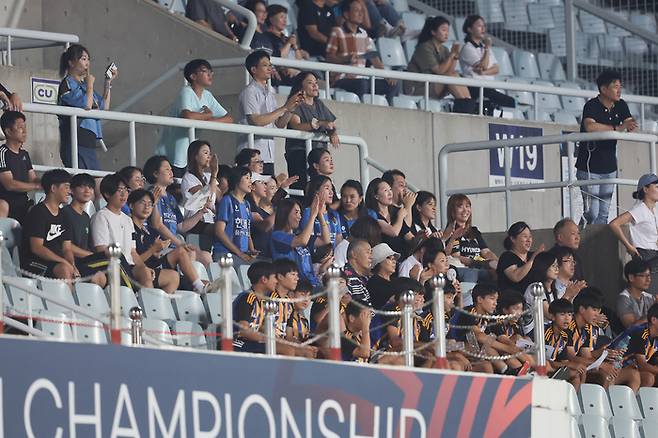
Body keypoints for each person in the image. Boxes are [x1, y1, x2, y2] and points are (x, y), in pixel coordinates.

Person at [577, 69, 637, 225]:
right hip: (589, 167)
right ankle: (578, 236)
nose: (619, 90)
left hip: (610, 168)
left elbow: (629, 123)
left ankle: (597, 248)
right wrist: (617, 128)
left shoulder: (621, 105)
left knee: (603, 214)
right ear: (603, 89)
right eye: (615, 86)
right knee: (592, 212)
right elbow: (590, 127)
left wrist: (629, 125)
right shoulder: (591, 105)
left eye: (620, 86)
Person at [156, 59, 232, 176]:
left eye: (211, 72)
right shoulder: (186, 91)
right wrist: (207, 115)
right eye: (204, 71)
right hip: (172, 151)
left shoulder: (207, 95)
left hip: (190, 152)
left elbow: (229, 119)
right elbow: (187, 115)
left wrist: (209, 120)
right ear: (193, 76)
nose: (210, 75)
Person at [129, 189, 211, 294]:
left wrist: (156, 252)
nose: (147, 207)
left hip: (155, 266)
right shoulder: (129, 227)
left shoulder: (149, 231)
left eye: (150, 204)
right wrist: (153, 249)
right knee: (177, 269)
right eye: (142, 203)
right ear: (131, 206)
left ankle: (198, 286)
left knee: (207, 283)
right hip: (143, 272)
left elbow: (152, 254)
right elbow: (133, 260)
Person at [238, 50, 303, 175]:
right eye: (265, 65)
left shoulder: (270, 92)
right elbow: (256, 121)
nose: (269, 68)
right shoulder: (249, 92)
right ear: (254, 69)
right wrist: (284, 108)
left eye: (269, 65)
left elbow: (279, 124)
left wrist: (291, 107)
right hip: (251, 155)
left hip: (268, 155)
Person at [325, 0, 400, 104]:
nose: (361, 14)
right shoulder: (337, 31)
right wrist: (346, 59)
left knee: (393, 85)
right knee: (362, 84)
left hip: (362, 79)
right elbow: (329, 58)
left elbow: (374, 58)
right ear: (346, 14)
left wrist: (387, 75)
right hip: (342, 79)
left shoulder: (364, 34)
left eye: (362, 11)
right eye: (356, 10)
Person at [566, 289, 641, 391]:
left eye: (599, 310)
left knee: (633, 373)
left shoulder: (587, 328)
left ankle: (618, 406)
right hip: (565, 365)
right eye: (594, 310)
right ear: (582, 309)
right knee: (605, 374)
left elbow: (587, 356)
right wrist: (602, 365)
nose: (597, 314)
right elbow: (572, 357)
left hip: (583, 366)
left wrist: (605, 359)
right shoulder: (569, 326)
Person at [144, 155, 211, 266]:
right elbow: (158, 225)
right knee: (190, 255)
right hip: (161, 247)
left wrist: (201, 212)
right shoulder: (151, 195)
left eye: (171, 169)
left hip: (175, 245)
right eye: (166, 169)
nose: (171, 172)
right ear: (155, 174)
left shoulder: (171, 198)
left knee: (206, 256)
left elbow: (181, 226)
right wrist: (180, 244)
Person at [58, 44, 117, 169]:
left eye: (88, 59)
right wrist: (89, 85)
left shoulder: (85, 85)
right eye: (83, 59)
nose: (87, 63)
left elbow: (104, 106)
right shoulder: (67, 83)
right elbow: (86, 105)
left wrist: (108, 82)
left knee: (96, 182)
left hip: (89, 141)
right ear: (71, 62)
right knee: (85, 182)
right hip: (74, 140)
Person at [448, 283, 527, 375]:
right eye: (492, 299)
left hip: (474, 350)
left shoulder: (489, 317)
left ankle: (524, 370)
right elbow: (480, 337)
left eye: (496, 300)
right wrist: (508, 348)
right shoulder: (468, 312)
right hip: (454, 347)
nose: (495, 303)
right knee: (486, 344)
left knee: (497, 347)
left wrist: (512, 348)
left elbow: (499, 337)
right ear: (480, 299)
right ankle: (506, 370)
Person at [91, 173, 152, 288]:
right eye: (119, 190)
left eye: (125, 189)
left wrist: (144, 267)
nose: (124, 194)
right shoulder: (101, 216)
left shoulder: (128, 220)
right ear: (107, 194)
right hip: (112, 265)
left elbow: (132, 252)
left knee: (149, 273)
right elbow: (101, 249)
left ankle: (148, 304)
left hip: (129, 266)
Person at [405, 16, 473, 113]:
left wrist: (455, 56)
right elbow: (439, 71)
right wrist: (452, 54)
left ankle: (468, 104)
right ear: (433, 32)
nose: (447, 33)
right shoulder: (424, 48)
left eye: (448, 30)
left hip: (433, 84)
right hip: (417, 88)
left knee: (455, 75)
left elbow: (450, 71)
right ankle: (466, 108)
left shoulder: (444, 49)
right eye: (443, 30)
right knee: (450, 77)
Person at [20, 170, 78, 281]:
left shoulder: (64, 215)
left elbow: (67, 248)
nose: (69, 192)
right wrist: (64, 262)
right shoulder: (37, 212)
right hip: (34, 262)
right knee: (64, 269)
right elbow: (37, 248)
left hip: (57, 261)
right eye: (66, 187)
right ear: (53, 188)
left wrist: (72, 265)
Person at [285, 72, 339, 189]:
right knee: (301, 188)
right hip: (299, 153)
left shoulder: (319, 104)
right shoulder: (295, 102)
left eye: (316, 83)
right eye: (310, 83)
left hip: (317, 153)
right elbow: (296, 125)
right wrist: (318, 123)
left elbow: (331, 124)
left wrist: (333, 132)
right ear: (301, 86)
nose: (315, 86)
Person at [610, 174, 658, 294]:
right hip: (645, 254)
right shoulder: (640, 209)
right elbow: (614, 224)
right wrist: (629, 246)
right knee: (650, 294)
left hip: (653, 254)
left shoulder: (654, 209)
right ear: (646, 189)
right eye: (657, 187)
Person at [459, 15, 515, 113]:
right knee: (509, 102)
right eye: (479, 26)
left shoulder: (485, 47)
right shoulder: (468, 48)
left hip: (488, 87)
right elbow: (483, 65)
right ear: (470, 29)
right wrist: (487, 48)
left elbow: (496, 68)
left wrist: (484, 73)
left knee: (510, 102)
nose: (483, 28)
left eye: (484, 26)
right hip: (475, 88)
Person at [271, 197, 328, 287]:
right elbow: (302, 241)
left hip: (312, 284)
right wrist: (312, 215)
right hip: (296, 286)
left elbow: (325, 241)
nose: (299, 216)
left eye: (300, 213)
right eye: (296, 212)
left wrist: (320, 214)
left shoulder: (299, 235)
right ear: (285, 213)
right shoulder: (277, 235)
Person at [444, 193, 498, 282]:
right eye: (460, 207)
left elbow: (486, 252)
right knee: (471, 273)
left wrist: (499, 263)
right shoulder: (450, 232)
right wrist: (482, 264)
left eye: (467, 206)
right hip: (465, 269)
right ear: (452, 212)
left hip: (481, 268)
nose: (465, 210)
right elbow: (456, 257)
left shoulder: (474, 231)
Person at [0, 111, 39, 223]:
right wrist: (37, 185)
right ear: (8, 131)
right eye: (20, 127)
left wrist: (49, 181)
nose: (25, 131)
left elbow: (33, 178)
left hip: (24, 203)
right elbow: (9, 184)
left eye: (25, 127)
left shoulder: (24, 154)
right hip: (5, 202)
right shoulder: (2, 153)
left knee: (40, 211)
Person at [232, 261, 279, 353]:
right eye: (274, 277)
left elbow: (258, 326)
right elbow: (244, 331)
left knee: (291, 348)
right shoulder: (247, 298)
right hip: (237, 342)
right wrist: (266, 339)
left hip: (251, 342)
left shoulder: (262, 300)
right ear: (264, 279)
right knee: (285, 350)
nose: (277, 281)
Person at [213, 166, 257, 263]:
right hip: (225, 254)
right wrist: (239, 253)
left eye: (251, 178)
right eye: (247, 178)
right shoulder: (227, 201)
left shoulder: (247, 205)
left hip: (242, 255)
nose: (250, 181)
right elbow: (219, 231)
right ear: (237, 180)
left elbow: (246, 231)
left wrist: (252, 250)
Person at [180, 140, 220, 241]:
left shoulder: (208, 177)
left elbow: (219, 197)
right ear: (195, 156)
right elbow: (207, 197)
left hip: (210, 220)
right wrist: (214, 173)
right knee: (221, 230)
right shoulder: (189, 177)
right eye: (205, 153)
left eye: (210, 154)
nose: (209, 157)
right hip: (195, 222)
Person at [365, 177, 415, 255]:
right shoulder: (371, 214)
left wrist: (422, 237)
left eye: (390, 190)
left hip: (400, 256)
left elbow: (407, 232)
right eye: (385, 191)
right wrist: (401, 216)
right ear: (376, 196)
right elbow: (393, 232)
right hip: (382, 259)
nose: (390, 193)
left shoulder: (395, 212)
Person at [545, 299, 587, 389]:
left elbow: (564, 360)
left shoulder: (566, 335)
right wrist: (569, 365)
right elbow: (545, 361)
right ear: (552, 317)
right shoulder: (545, 333)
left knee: (577, 373)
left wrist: (574, 365)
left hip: (554, 369)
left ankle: (576, 400)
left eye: (570, 315)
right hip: (541, 369)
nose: (567, 318)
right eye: (562, 314)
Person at [265, 5, 310, 85]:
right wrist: (288, 43)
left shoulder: (287, 38)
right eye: (281, 17)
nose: (285, 21)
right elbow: (278, 57)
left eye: (285, 18)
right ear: (271, 19)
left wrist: (295, 46)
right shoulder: (267, 36)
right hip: (284, 75)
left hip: (296, 72)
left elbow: (298, 60)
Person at [497, 221, 544, 294]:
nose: (528, 240)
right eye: (525, 237)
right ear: (513, 239)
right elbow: (515, 277)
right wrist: (532, 259)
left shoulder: (533, 255)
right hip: (513, 300)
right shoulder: (507, 257)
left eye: (530, 237)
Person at [522, 252, 560, 335]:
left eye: (557, 266)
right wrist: (568, 294)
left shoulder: (554, 289)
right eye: (553, 266)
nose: (557, 269)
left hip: (547, 330)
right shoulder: (535, 288)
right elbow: (550, 315)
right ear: (543, 267)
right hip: (533, 332)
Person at [301, 175, 342, 249]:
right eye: (327, 188)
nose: (331, 192)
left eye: (331, 189)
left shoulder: (334, 214)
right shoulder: (308, 213)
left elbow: (338, 241)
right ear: (316, 191)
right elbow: (309, 240)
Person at [624, 303, 658, 388]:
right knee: (648, 378)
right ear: (654, 320)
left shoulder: (656, 338)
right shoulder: (641, 332)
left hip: (633, 370)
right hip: (616, 367)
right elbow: (642, 365)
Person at [617, 259, 657, 328]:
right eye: (643, 276)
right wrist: (654, 308)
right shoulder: (624, 299)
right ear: (631, 278)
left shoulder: (649, 297)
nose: (648, 279)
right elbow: (631, 328)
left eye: (649, 276)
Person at [61, 173, 95, 254]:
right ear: (71, 190)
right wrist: (90, 255)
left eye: (90, 187)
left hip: (85, 260)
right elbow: (64, 245)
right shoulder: (64, 213)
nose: (87, 191)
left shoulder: (86, 217)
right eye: (82, 187)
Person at [285, 279, 319, 358]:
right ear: (291, 295)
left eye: (309, 296)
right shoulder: (285, 314)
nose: (306, 300)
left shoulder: (304, 321)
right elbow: (287, 338)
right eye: (302, 294)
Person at [366, 243, 399, 309]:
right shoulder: (374, 283)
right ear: (379, 262)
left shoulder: (395, 281)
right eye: (390, 258)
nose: (394, 262)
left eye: (394, 259)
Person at [343, 239, 373, 305]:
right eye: (367, 252)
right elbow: (362, 312)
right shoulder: (349, 278)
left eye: (371, 253)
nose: (371, 257)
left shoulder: (364, 277)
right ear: (354, 254)